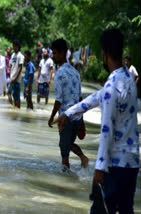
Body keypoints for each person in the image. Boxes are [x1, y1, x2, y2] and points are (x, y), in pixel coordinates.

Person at [53, 29, 139, 214]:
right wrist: (69, 112)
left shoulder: (111, 86)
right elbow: (95, 97)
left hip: (113, 164)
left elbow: (106, 130)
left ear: (105, 52)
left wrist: (99, 168)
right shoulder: (128, 79)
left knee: (100, 210)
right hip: (132, 162)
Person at [48, 38, 89, 172]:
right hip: (77, 117)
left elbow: (58, 100)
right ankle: (83, 158)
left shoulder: (59, 74)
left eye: (55, 53)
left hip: (66, 118)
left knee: (64, 152)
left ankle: (64, 183)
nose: (53, 56)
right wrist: (81, 118)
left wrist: (52, 117)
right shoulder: (75, 72)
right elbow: (80, 97)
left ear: (63, 53)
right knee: (68, 144)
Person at [8, 40, 24, 108]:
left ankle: (17, 109)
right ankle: (14, 108)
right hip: (11, 78)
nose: (13, 47)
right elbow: (11, 65)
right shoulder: (13, 55)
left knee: (16, 97)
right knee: (9, 93)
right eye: (13, 46)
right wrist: (9, 73)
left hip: (17, 80)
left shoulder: (21, 56)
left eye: (15, 46)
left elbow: (20, 68)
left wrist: (15, 77)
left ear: (18, 47)